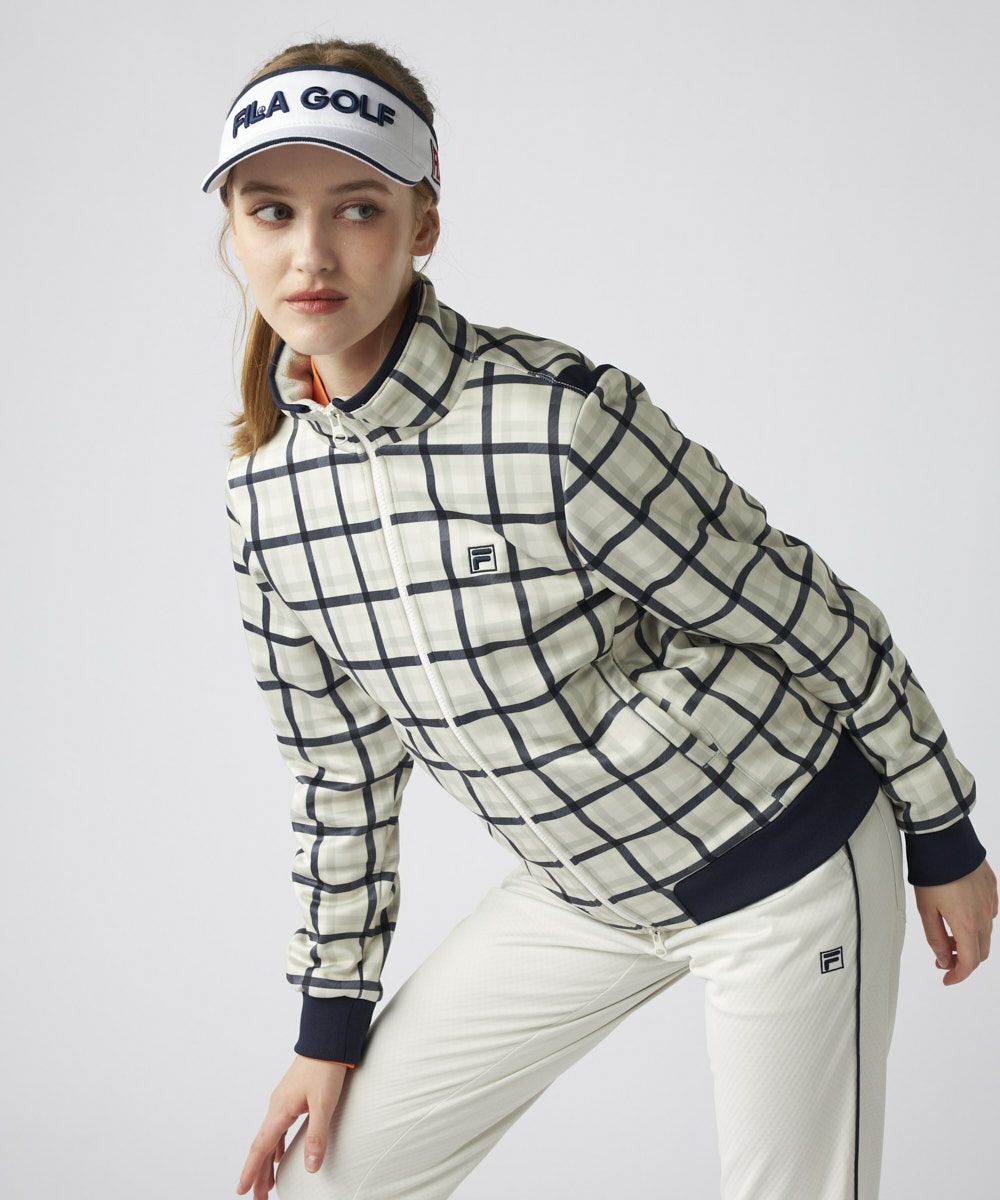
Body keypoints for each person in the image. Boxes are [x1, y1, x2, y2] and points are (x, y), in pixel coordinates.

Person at [203, 37, 997, 1200]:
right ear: (234, 231)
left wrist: (942, 831)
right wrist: (330, 1024)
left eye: (358, 208)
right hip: (583, 890)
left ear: (423, 224)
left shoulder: (553, 421)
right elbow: (338, 772)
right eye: (272, 210)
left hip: (778, 857)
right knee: (345, 1173)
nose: (310, 253)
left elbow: (801, 608)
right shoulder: (265, 503)